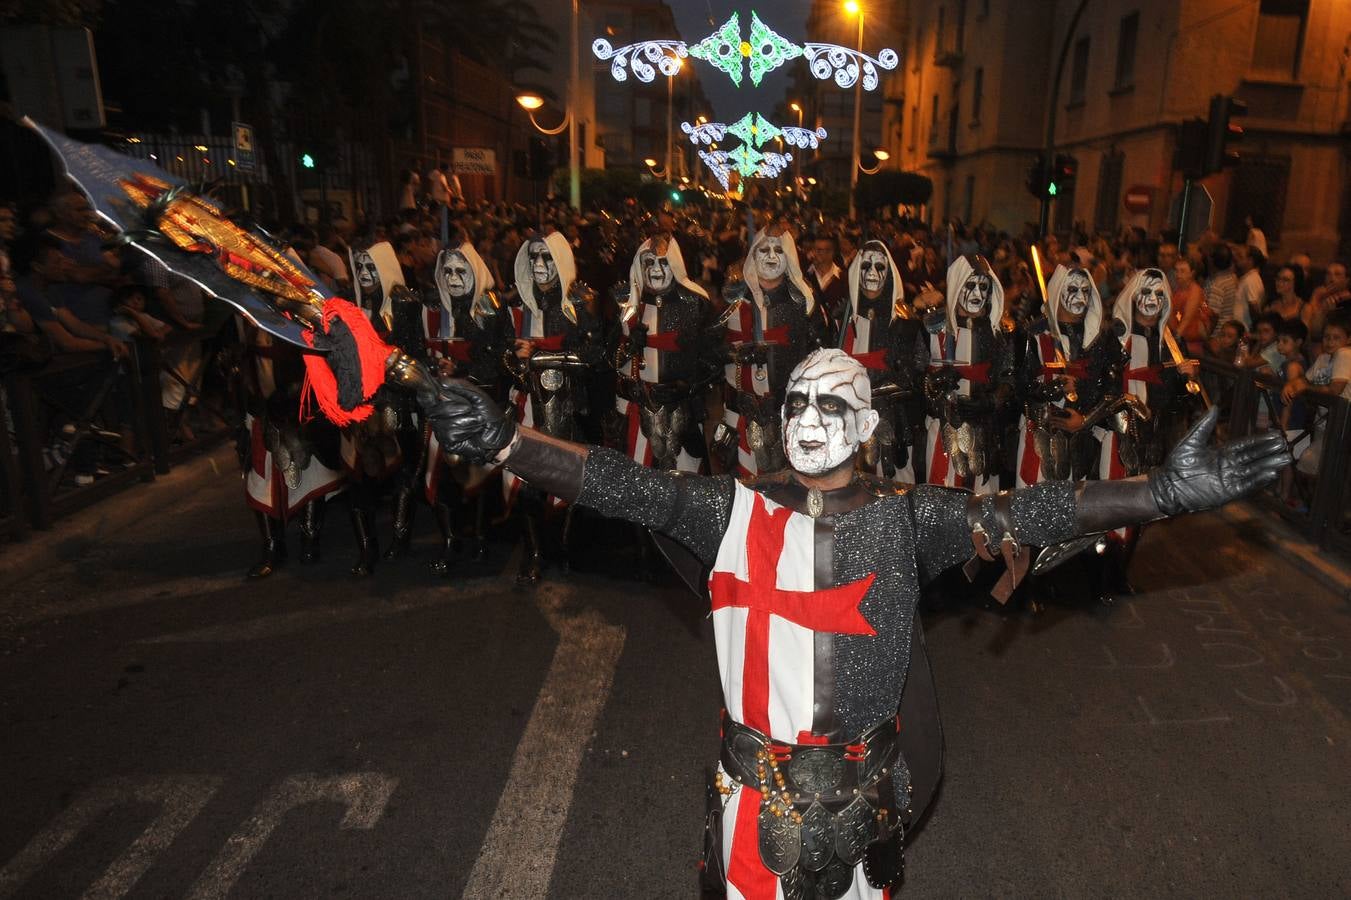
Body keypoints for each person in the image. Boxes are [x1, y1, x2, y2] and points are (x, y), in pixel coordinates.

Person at [424, 347, 1289, 899]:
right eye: (795, 401)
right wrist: (507, 444)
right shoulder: (725, 510)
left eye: (830, 406)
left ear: (868, 425)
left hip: (860, 807)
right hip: (749, 799)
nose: (804, 419)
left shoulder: (909, 518)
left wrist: (1161, 495)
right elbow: (620, 484)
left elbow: (1032, 511)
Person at [717, 224, 827, 477]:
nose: (771, 256)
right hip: (741, 409)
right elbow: (709, 347)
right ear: (753, 254)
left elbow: (821, 351)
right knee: (742, 485)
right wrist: (735, 354)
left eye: (778, 250)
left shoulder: (803, 299)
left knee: (786, 486)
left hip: (787, 409)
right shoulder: (735, 297)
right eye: (763, 250)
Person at [921, 254, 1015, 493]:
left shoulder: (1000, 333)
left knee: (982, 506)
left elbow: (1010, 378)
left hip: (985, 433)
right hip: (944, 430)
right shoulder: (933, 328)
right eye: (970, 285)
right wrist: (935, 383)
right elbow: (916, 376)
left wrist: (991, 401)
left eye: (983, 287)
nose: (977, 293)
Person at [836, 239, 924, 483]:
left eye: (879, 267)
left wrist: (869, 392)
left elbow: (913, 376)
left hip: (890, 421)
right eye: (865, 266)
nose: (872, 273)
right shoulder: (841, 319)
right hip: (846, 422)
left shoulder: (903, 323)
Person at [1170, 256, 1210, 356]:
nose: (1178, 274)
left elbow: (1188, 318)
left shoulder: (1195, 290)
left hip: (1189, 346)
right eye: (1176, 270)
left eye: (1182, 271)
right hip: (1181, 341)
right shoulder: (1178, 290)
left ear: (1192, 273)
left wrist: (1175, 339)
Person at [805, 234, 847, 323]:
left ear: (830, 253)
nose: (814, 253)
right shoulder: (805, 276)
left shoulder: (844, 279)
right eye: (813, 249)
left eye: (819, 250)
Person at [1204, 243, 1240, 334]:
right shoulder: (1232, 277)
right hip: (1225, 329)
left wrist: (1207, 336)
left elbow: (1213, 315)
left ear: (1212, 261)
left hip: (1217, 333)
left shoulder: (1217, 285)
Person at [1234, 243, 1264, 327]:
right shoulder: (1247, 278)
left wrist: (1254, 328)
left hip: (1245, 331)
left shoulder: (1251, 279)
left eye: (1240, 256)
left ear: (1250, 260)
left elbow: (1254, 306)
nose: (1236, 259)